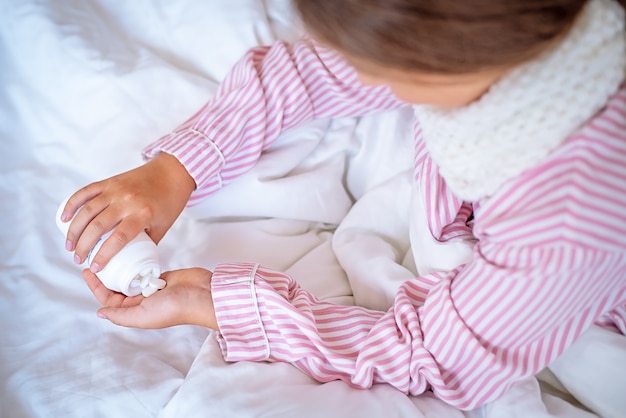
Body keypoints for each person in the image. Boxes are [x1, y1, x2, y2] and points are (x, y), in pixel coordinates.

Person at [59, 0, 626, 410]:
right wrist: (174, 170)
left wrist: (217, 302)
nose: (362, 74)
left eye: (379, 66)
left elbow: (433, 356)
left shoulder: (570, 213)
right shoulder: (507, 34)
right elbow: (309, 70)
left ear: (442, 54)